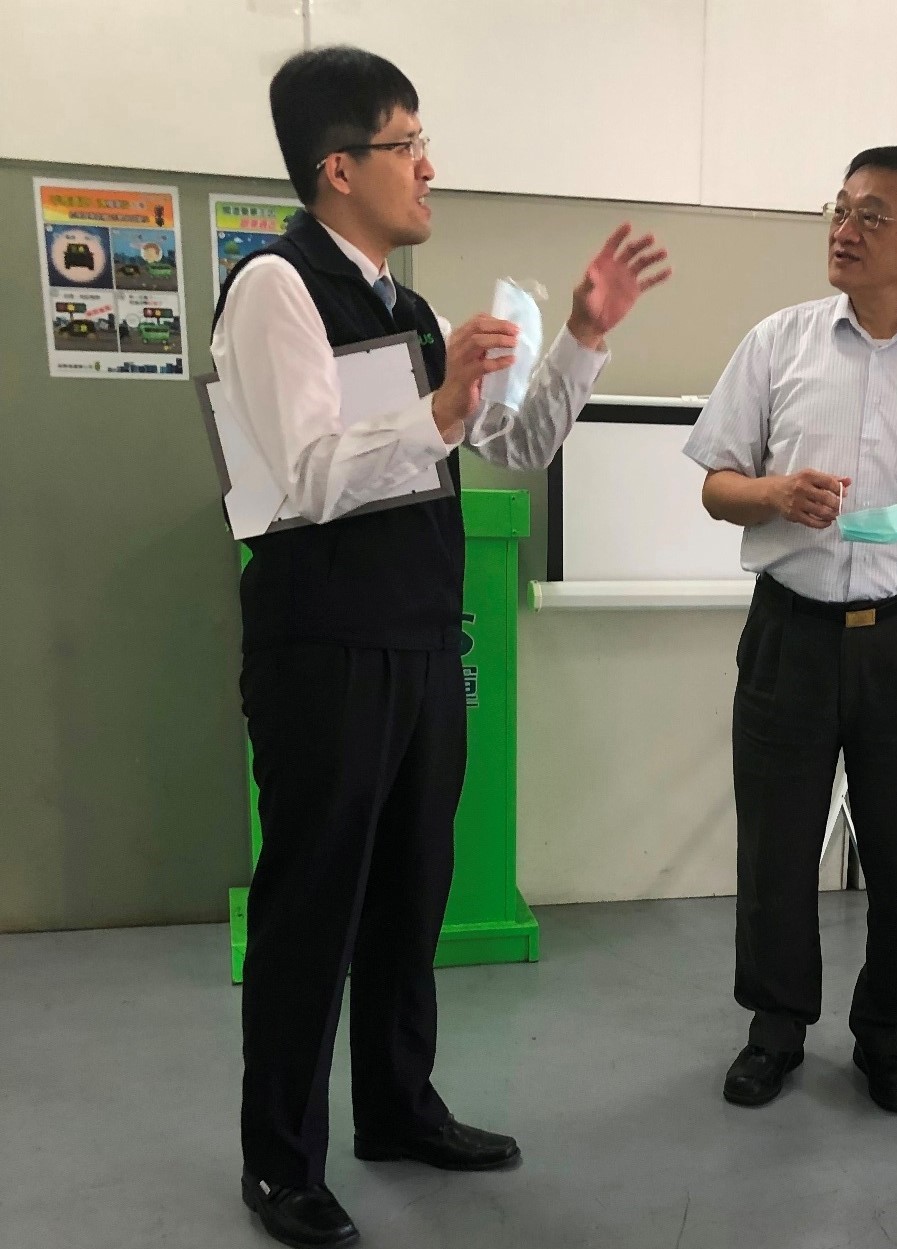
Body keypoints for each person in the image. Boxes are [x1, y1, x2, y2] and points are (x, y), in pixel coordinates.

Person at [212, 46, 670, 1248]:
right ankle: (279, 1161)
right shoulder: (276, 287)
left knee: (409, 894)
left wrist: (581, 339)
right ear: (338, 167)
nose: (429, 167)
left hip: (419, 642)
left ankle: (398, 1107)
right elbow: (305, 477)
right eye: (408, 143)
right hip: (323, 649)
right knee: (312, 907)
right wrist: (440, 407)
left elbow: (510, 445)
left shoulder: (405, 309)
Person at [684, 146, 897, 1116]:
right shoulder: (778, 343)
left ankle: (889, 1036)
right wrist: (773, 494)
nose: (844, 229)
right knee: (776, 847)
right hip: (789, 630)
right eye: (839, 209)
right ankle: (775, 1028)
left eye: (871, 215)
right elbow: (717, 486)